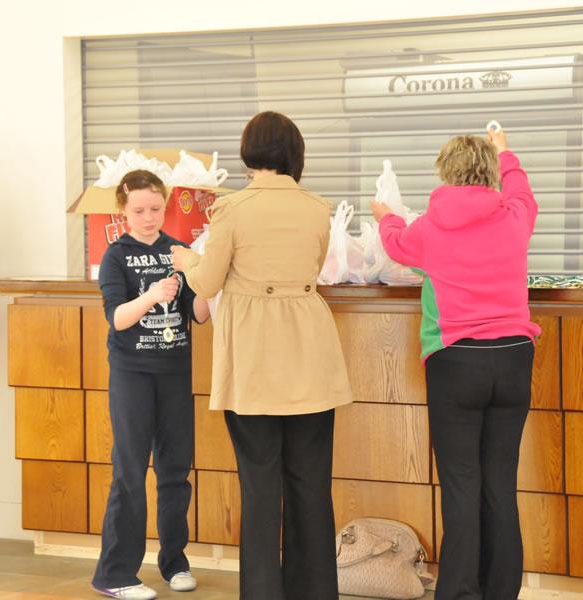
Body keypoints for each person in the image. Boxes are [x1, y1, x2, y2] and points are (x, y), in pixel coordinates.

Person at [171, 111, 353, 600]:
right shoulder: (317, 208)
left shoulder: (232, 209)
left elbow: (207, 282)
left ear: (249, 152)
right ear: (295, 152)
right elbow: (313, 268)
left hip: (253, 359)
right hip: (311, 354)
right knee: (311, 485)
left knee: (260, 487)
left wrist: (188, 260)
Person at [371, 129, 541, 600]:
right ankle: (501, 592)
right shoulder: (515, 216)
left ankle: (461, 593)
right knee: (500, 482)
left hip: (456, 362)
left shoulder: (430, 228)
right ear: (490, 172)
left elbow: (396, 244)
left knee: (461, 483)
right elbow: (521, 187)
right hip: (513, 358)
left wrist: (385, 218)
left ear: (445, 172)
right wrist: (505, 151)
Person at [91, 169, 210, 600]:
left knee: (175, 471)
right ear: (123, 211)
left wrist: (206, 277)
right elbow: (117, 318)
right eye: (139, 210)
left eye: (156, 209)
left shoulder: (178, 251)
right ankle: (115, 574)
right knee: (129, 472)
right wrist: (152, 295)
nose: (148, 218)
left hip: (175, 372)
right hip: (132, 375)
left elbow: (199, 314)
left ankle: (175, 563)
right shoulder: (115, 256)